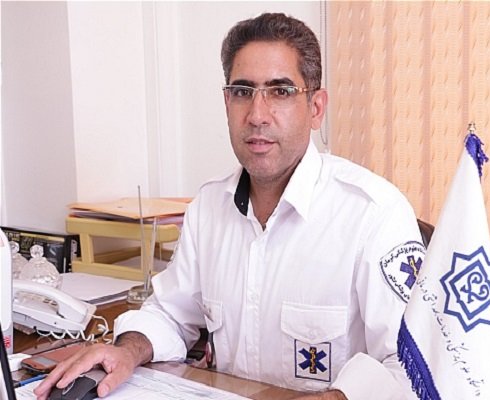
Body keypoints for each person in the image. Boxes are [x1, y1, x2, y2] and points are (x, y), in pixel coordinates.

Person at [35, 12, 424, 400]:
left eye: (280, 92)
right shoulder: (209, 207)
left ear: (316, 108)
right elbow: (170, 312)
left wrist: (336, 398)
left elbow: (413, 366)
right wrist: (127, 350)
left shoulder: (374, 214)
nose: (256, 115)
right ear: (227, 102)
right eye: (242, 91)